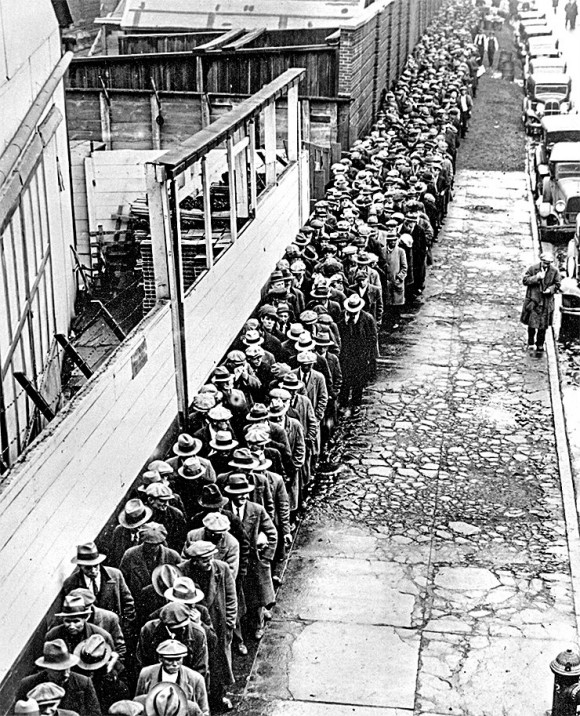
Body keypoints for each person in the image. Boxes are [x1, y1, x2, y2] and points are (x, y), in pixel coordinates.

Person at [61, 544, 136, 639]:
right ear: (80, 566)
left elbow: (128, 603)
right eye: (88, 568)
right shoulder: (71, 583)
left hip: (113, 631)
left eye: (96, 566)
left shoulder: (115, 575)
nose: (93, 570)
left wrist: (123, 628)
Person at [16, 640, 101, 716]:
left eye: (68, 668)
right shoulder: (28, 684)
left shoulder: (84, 683)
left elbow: (94, 713)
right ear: (47, 668)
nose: (66, 674)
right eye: (59, 670)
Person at [134, 640, 209, 716]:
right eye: (170, 660)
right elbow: (138, 705)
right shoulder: (146, 674)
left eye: (178, 659)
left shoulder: (196, 679)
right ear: (160, 658)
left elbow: (204, 711)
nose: (175, 664)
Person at [520, 251, 561, 352]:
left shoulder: (554, 271)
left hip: (546, 303)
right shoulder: (533, 269)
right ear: (541, 261)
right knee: (532, 325)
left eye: (549, 263)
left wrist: (550, 290)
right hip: (534, 301)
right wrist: (536, 277)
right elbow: (525, 280)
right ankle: (530, 342)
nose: (546, 265)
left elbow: (557, 284)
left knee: (543, 326)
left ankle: (540, 344)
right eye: (545, 262)